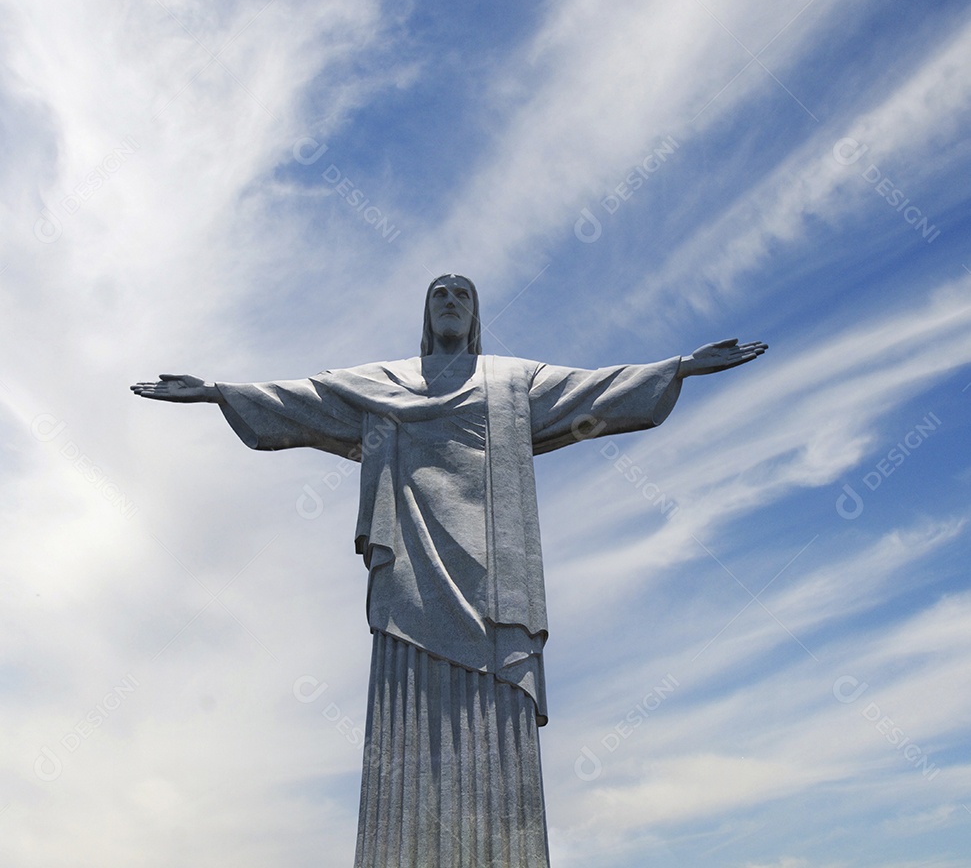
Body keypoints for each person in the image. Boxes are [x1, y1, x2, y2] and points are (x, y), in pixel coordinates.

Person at [131, 274, 766, 868]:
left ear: (477, 314)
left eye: (463, 293)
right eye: (440, 293)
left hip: (495, 578)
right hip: (409, 569)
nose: (451, 300)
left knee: (495, 716)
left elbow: (593, 389)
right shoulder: (381, 381)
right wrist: (218, 391)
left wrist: (676, 368)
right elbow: (302, 399)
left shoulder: (511, 381)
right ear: (427, 313)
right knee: (407, 704)